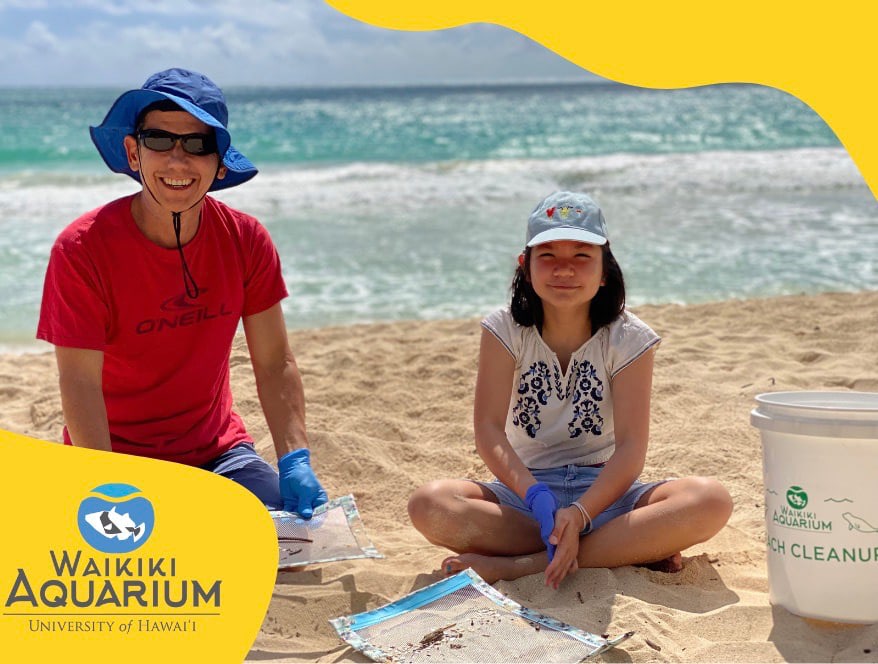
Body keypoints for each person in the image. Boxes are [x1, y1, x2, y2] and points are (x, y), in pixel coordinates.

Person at [37, 68, 327, 517]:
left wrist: (295, 457)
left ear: (219, 161)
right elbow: (78, 382)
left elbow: (274, 362)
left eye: (197, 144)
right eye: (158, 140)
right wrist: (105, 487)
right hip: (114, 458)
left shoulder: (246, 239)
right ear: (133, 152)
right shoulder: (81, 248)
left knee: (290, 540)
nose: (177, 161)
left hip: (218, 455)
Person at [408, 191, 732, 588]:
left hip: (606, 496)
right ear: (525, 266)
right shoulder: (504, 329)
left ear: (605, 269)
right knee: (429, 504)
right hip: (524, 499)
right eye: (548, 256)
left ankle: (522, 565)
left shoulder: (629, 337)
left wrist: (580, 512)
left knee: (710, 500)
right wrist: (536, 497)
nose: (565, 269)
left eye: (582, 256)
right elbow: (489, 431)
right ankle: (619, 548)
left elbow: (631, 448)